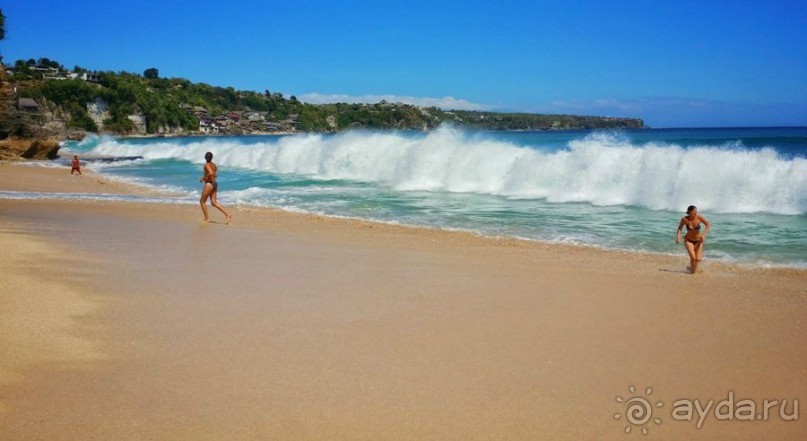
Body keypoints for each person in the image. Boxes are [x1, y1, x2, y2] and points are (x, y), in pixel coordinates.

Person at [199, 151, 232, 224]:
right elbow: (215, 175)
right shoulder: (214, 165)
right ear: (212, 158)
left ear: (205, 158)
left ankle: (206, 219)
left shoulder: (206, 165)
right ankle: (227, 214)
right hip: (214, 183)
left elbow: (211, 173)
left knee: (202, 201)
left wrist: (203, 178)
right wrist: (209, 175)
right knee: (214, 202)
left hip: (209, 184)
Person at [676, 205, 711, 274]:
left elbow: (708, 224)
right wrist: (678, 236)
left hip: (699, 241)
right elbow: (680, 228)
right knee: (693, 258)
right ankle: (693, 272)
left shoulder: (699, 217)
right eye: (694, 211)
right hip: (688, 240)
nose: (696, 212)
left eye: (696, 211)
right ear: (689, 211)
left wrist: (704, 235)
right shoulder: (684, 219)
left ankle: (691, 267)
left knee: (698, 259)